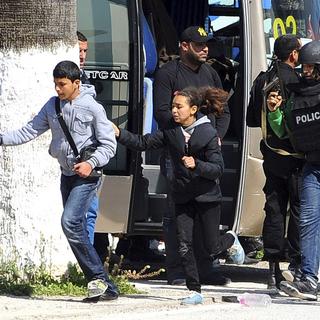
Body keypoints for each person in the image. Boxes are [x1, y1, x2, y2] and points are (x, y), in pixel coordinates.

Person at [113, 86, 244, 305]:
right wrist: (119, 133)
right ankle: (195, 290)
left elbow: (218, 168)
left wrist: (197, 164)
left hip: (207, 197)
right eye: (173, 106)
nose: (174, 111)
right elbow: (143, 143)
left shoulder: (208, 133)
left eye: (179, 107)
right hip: (182, 196)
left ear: (193, 109)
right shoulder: (171, 131)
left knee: (210, 247)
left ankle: (230, 239)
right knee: (185, 244)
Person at [0, 60, 119, 302]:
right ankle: (105, 285)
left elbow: (109, 145)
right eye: (55, 84)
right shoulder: (53, 105)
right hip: (66, 175)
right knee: (74, 227)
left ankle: (96, 278)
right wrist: (1, 139)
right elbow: (29, 131)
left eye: (62, 84)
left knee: (70, 222)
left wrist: (90, 163)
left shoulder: (93, 108)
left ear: (77, 83)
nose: (58, 89)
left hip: (87, 176)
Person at [153, 25, 231, 286]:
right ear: (184, 46)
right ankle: (177, 270)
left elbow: (224, 111)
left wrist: (216, 135)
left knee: (205, 210)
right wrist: (182, 135)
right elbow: (163, 114)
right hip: (177, 152)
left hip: (206, 153)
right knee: (177, 211)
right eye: (199, 45)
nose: (205, 49)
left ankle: (206, 268)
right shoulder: (168, 74)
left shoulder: (211, 73)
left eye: (206, 44)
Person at [246, 34, 304, 290]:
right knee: (300, 212)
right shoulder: (297, 81)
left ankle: (272, 270)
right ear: (293, 54)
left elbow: (249, 119)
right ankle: (296, 266)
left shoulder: (262, 78)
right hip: (295, 157)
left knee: (274, 210)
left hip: (270, 156)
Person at [266, 40, 320, 301]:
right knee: (308, 222)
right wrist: (274, 112)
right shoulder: (297, 96)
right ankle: (308, 278)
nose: (305, 70)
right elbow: (284, 131)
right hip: (312, 168)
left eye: (311, 66)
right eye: (305, 65)